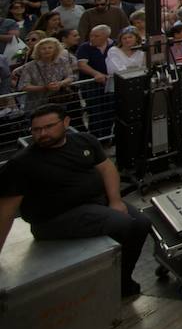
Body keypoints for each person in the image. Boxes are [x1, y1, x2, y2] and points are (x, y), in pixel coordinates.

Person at [0, 104, 153, 298]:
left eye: (49, 126)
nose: (42, 133)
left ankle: (122, 278)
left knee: (142, 223)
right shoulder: (21, 163)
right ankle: (110, 284)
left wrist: (115, 200)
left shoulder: (84, 141)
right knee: (122, 223)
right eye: (36, 130)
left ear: (66, 122)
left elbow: (107, 168)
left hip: (96, 204)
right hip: (54, 218)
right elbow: (5, 211)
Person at [16, 37, 79, 114]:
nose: (47, 50)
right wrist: (44, 87)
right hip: (36, 103)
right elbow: (23, 86)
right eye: (43, 48)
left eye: (50, 48)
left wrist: (60, 83)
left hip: (58, 101)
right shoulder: (30, 66)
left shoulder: (63, 61)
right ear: (38, 51)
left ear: (56, 49)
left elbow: (71, 77)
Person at [75, 24, 115, 138]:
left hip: (110, 84)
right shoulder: (85, 47)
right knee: (94, 112)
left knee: (109, 110)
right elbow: (82, 65)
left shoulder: (115, 45)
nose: (92, 38)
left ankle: (107, 136)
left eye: (96, 36)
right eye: (91, 35)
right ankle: (96, 138)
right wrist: (96, 74)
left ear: (106, 36)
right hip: (91, 85)